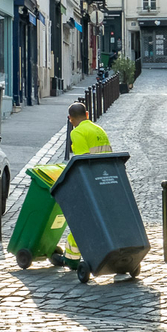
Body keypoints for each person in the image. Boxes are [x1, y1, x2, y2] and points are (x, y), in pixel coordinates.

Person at [51, 103, 113, 268]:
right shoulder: (99, 129)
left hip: (91, 184)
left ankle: (71, 258)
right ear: (87, 114)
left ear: (70, 119)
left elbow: (82, 163)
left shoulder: (77, 132)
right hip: (107, 180)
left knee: (81, 221)